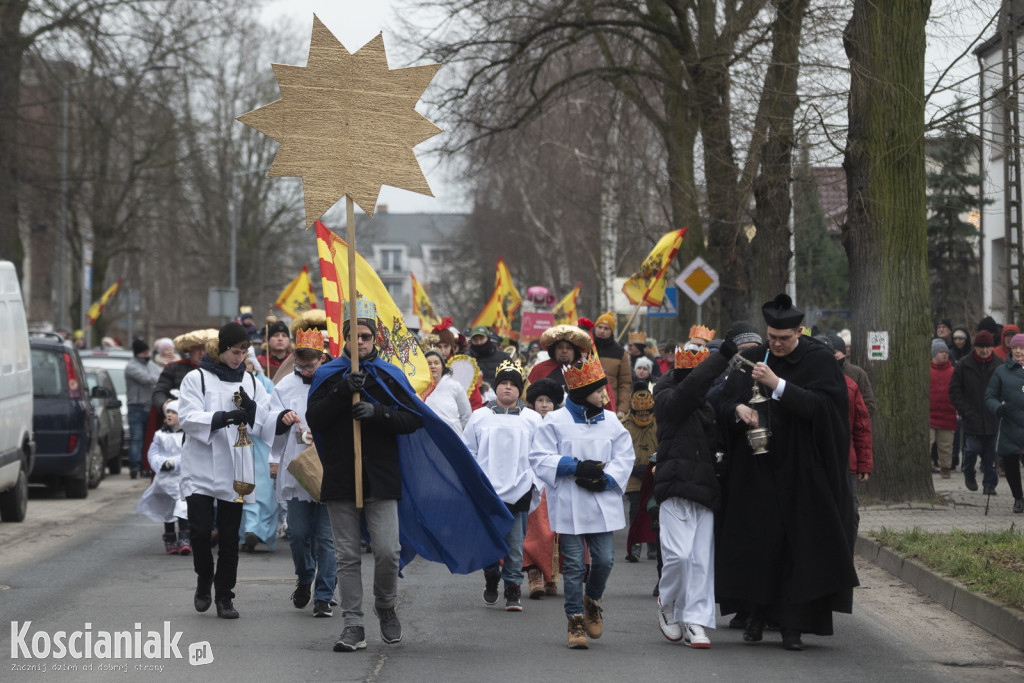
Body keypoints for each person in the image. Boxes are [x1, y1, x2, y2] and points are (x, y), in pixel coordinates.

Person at [307, 298, 513, 652]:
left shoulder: (390, 375)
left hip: (383, 476)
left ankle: (385, 606)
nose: (360, 342)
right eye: (353, 336)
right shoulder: (328, 375)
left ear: (375, 339)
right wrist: (343, 391)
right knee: (347, 557)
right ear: (343, 338)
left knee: (387, 550)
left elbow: (413, 419)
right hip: (341, 476)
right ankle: (353, 625)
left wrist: (378, 413)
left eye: (366, 336)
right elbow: (316, 420)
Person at [716, 293, 857, 651]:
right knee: (760, 544)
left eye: (784, 339)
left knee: (797, 548)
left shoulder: (819, 360)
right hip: (757, 470)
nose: (776, 345)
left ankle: (793, 625)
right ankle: (756, 615)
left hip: (802, 471)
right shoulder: (752, 357)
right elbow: (719, 401)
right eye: (772, 338)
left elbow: (827, 411)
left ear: (799, 331)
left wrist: (779, 385)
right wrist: (738, 410)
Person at [529, 355, 635, 649]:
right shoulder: (555, 421)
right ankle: (575, 619)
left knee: (604, 560)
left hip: (601, 501)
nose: (605, 394)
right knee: (574, 565)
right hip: (570, 503)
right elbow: (539, 456)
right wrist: (574, 467)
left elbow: (625, 456)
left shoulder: (612, 421)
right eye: (600, 389)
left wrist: (607, 479)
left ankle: (593, 600)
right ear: (581, 393)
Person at [178, 322, 279, 619]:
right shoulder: (197, 378)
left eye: (244, 352)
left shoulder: (250, 381)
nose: (239, 358)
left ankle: (225, 595)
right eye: (235, 352)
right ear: (221, 349)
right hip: (201, 464)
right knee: (198, 531)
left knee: (229, 536)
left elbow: (265, 420)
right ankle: (203, 578)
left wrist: (253, 411)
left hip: (237, 466)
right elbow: (187, 416)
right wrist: (222, 417)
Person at [653, 332, 738, 649]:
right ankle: (668, 605)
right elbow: (687, 390)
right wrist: (721, 357)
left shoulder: (705, 407)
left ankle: (695, 621)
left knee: (701, 562)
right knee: (679, 557)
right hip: (675, 486)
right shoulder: (666, 396)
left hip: (704, 490)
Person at [264, 327, 336, 617]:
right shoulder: (284, 387)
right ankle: (305, 576)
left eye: (311, 365)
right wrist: (282, 419)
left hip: (329, 466)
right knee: (298, 533)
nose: (306, 371)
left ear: (322, 359)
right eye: (301, 366)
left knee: (327, 538)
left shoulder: (334, 381)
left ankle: (323, 595)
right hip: (297, 467)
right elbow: (270, 421)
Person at [462, 359, 541, 612]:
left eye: (513, 384)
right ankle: (491, 576)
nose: (508, 388)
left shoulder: (532, 419)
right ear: (496, 387)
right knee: (488, 542)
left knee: (515, 544)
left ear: (520, 389)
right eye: (503, 383)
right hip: (488, 490)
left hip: (519, 487)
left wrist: (532, 482)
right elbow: (468, 452)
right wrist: (475, 481)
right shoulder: (480, 416)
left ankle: (512, 588)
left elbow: (541, 454)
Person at [522, 378, 564, 599]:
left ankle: (552, 576)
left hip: (557, 481)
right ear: (532, 403)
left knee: (557, 532)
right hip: (534, 481)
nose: (545, 404)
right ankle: (534, 574)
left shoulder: (562, 423)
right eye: (540, 400)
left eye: (549, 400)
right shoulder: (526, 421)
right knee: (535, 530)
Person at [135, 400, 189, 555]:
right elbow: (152, 453)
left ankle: (185, 537)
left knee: (182, 506)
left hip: (180, 478)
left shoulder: (186, 435)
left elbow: (187, 453)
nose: (170, 415)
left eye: (174, 413)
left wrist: (174, 463)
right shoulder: (159, 435)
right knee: (167, 509)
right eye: (168, 413)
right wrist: (161, 463)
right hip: (164, 479)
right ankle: (170, 539)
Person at [949, 330, 1000, 495]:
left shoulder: (999, 365)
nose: (984, 350)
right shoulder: (964, 364)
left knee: (991, 454)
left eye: (987, 347)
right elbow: (955, 391)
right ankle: (968, 472)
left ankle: (989, 484)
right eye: (980, 347)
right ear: (975, 347)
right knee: (971, 450)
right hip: (972, 416)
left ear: (992, 347)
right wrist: (965, 410)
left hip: (993, 416)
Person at [984, 333, 1024, 513]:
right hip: (1009, 425)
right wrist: (997, 408)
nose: (1018, 351)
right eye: (1015, 347)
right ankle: (1018, 498)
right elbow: (990, 396)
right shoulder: (1001, 371)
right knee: (1011, 465)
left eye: (1021, 348)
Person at [622, 388, 657, 562]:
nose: (644, 418)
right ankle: (635, 545)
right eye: (640, 415)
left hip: (653, 476)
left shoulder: (658, 424)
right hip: (633, 478)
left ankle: (653, 544)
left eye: (647, 415)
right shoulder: (625, 426)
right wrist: (632, 467)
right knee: (635, 512)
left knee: (653, 510)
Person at [125, 339, 156, 478]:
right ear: (138, 353)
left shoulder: (151, 364)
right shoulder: (131, 367)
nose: (147, 354)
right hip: (136, 408)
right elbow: (147, 379)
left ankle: (145, 466)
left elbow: (157, 376)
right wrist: (158, 377)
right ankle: (135, 466)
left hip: (149, 406)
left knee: (148, 438)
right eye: (144, 352)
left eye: (148, 352)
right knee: (137, 438)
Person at [421, 349, 472, 434]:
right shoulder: (418, 388)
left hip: (453, 437)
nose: (432, 366)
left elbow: (466, 415)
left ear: (442, 366)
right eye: (429, 363)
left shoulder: (455, 386)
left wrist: (455, 429)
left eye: (436, 363)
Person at [527, 324, 592, 389]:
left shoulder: (584, 370)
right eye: (560, 347)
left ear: (575, 351)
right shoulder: (539, 369)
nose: (564, 351)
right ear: (553, 350)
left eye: (569, 348)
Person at [592, 312, 632, 417]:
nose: (602, 331)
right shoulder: (586, 347)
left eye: (606, 328)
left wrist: (622, 409)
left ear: (611, 331)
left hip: (610, 406)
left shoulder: (619, 352)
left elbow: (625, 384)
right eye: (599, 327)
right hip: (587, 404)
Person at [827, 333, 876, 418]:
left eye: (835, 352)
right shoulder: (820, 372)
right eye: (829, 352)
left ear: (843, 353)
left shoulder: (858, 373)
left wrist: (853, 422)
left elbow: (868, 403)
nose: (832, 355)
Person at [930, 339, 957, 479]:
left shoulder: (954, 371)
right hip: (929, 414)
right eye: (941, 352)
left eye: (946, 351)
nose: (944, 354)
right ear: (933, 354)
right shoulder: (926, 371)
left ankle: (945, 468)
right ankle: (924, 466)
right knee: (926, 443)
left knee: (946, 445)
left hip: (948, 413)